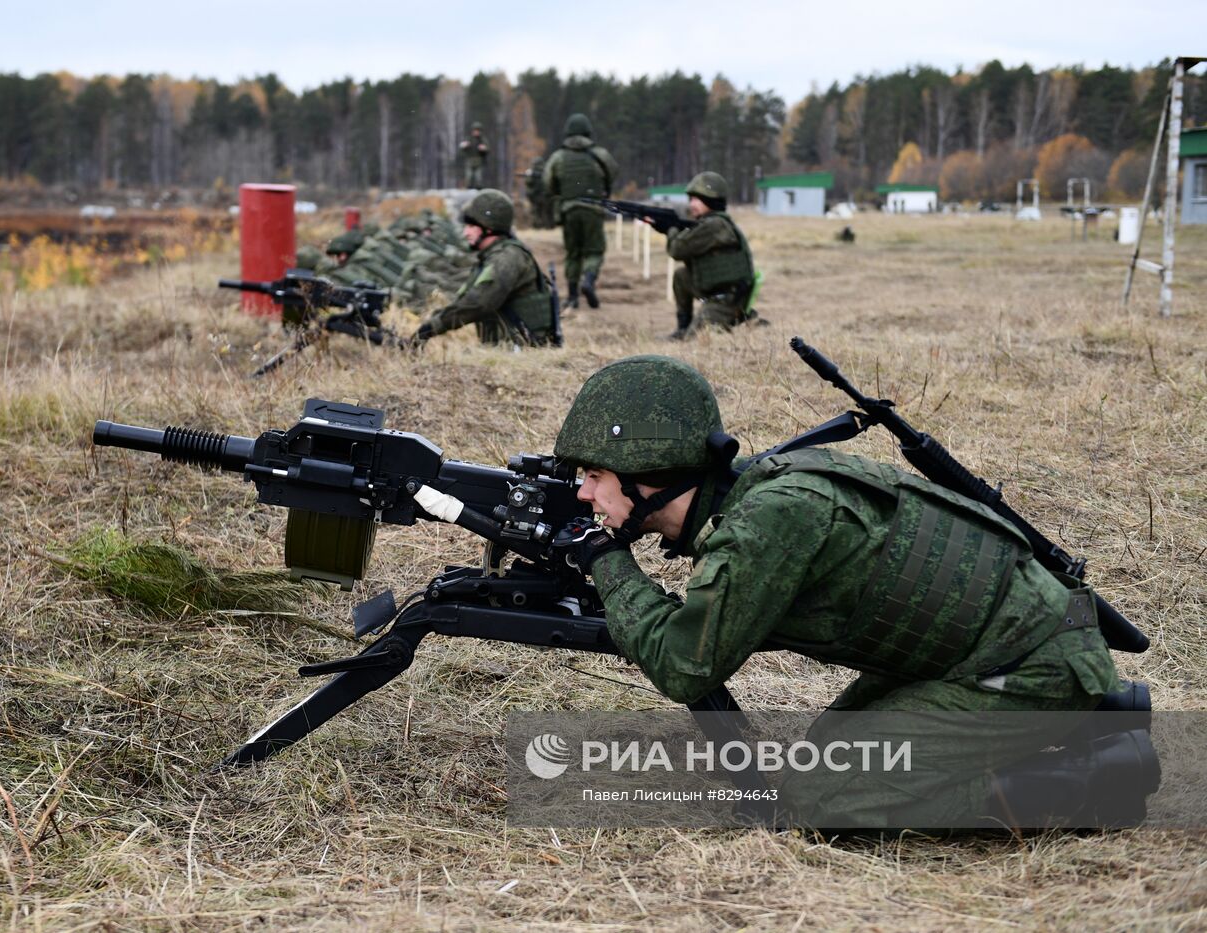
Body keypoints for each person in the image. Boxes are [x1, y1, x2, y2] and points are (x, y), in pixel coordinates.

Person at [550, 355, 1154, 829]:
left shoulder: (768, 523)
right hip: (995, 649)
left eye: (595, 476)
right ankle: (1092, 712)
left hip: (1023, 664)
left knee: (822, 798)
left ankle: (1104, 778)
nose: (584, 494)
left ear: (648, 475)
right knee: (831, 755)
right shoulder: (765, 493)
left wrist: (609, 564)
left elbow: (685, 665)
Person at [413, 190, 554, 347]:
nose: (465, 232)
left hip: (522, 350)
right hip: (510, 347)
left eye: (472, 226)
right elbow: (465, 300)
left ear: (489, 228)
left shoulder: (506, 258)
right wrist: (432, 322)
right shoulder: (494, 256)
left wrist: (430, 328)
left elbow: (478, 303)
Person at [648, 172, 756, 340]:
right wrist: (668, 228)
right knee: (681, 276)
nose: (692, 204)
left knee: (694, 339)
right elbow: (687, 246)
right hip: (717, 292)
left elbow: (678, 249)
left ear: (711, 201)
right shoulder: (712, 222)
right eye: (690, 199)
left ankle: (742, 319)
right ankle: (682, 327)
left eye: (697, 199)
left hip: (725, 301)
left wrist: (670, 229)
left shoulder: (714, 225)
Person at [543, 113, 618, 309]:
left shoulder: (558, 157)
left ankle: (573, 296)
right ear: (588, 132)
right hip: (593, 209)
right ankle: (589, 281)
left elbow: (548, 183)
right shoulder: (599, 154)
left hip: (569, 210)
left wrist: (561, 194)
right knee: (594, 250)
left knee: (573, 253)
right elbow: (613, 172)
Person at [460, 122, 490, 189]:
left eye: (478, 130)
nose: (476, 132)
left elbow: (487, 149)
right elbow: (462, 147)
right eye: (475, 130)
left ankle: (479, 189)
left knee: (479, 178)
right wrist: (465, 146)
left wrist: (484, 148)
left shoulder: (482, 140)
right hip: (470, 161)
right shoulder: (468, 139)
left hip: (479, 161)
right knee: (469, 176)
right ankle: (468, 189)